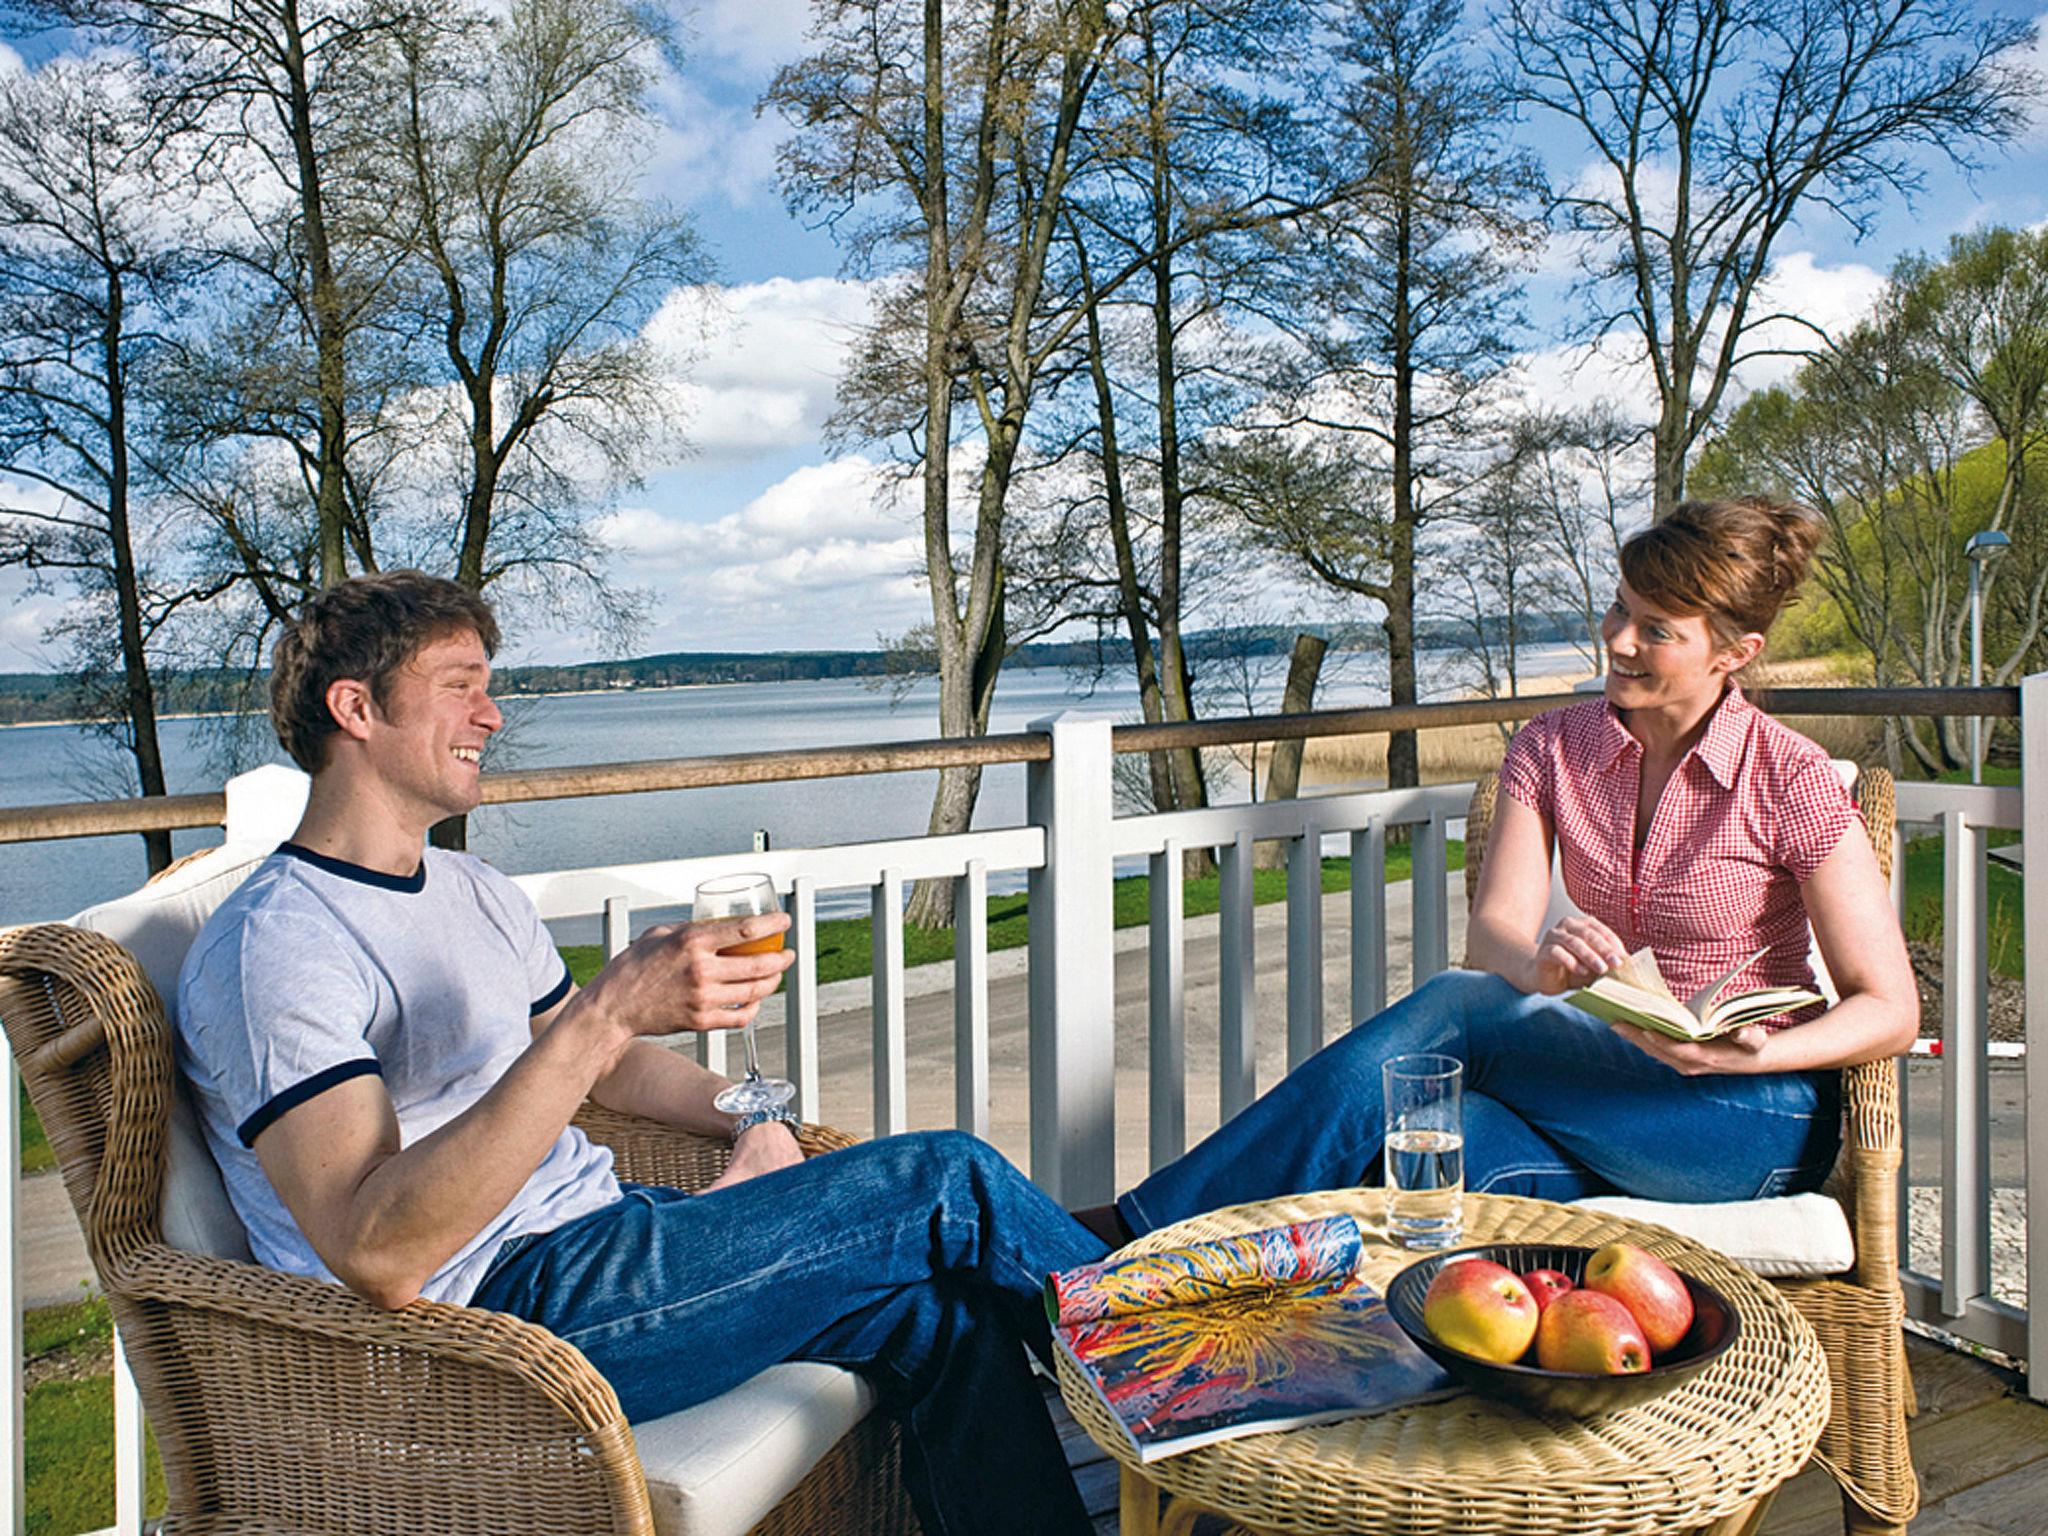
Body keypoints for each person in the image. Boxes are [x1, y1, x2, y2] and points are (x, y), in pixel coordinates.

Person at [175, 571, 1105, 1536]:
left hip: (612, 1236)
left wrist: (751, 1116)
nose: (491, 715)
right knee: (943, 1180)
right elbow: (377, 1249)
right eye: (460, 684)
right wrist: (609, 1011)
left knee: (941, 1317)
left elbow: (610, 1073)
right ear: (355, 707)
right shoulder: (277, 946)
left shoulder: (470, 888)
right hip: (496, 1319)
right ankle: (1203, 1381)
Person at [1112, 496, 1920, 1238]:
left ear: (1734, 653)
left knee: (1458, 1009)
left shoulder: (1790, 776)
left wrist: (1748, 1052)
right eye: (1619, 609)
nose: (1618, 639)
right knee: (1424, 1139)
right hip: (1601, 1093)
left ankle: (1136, 1237)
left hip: (1749, 1115)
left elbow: (1890, 1008)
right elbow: (1493, 938)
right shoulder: (1552, 748)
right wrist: (1538, 966)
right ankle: (1196, 1333)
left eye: (1657, 629)